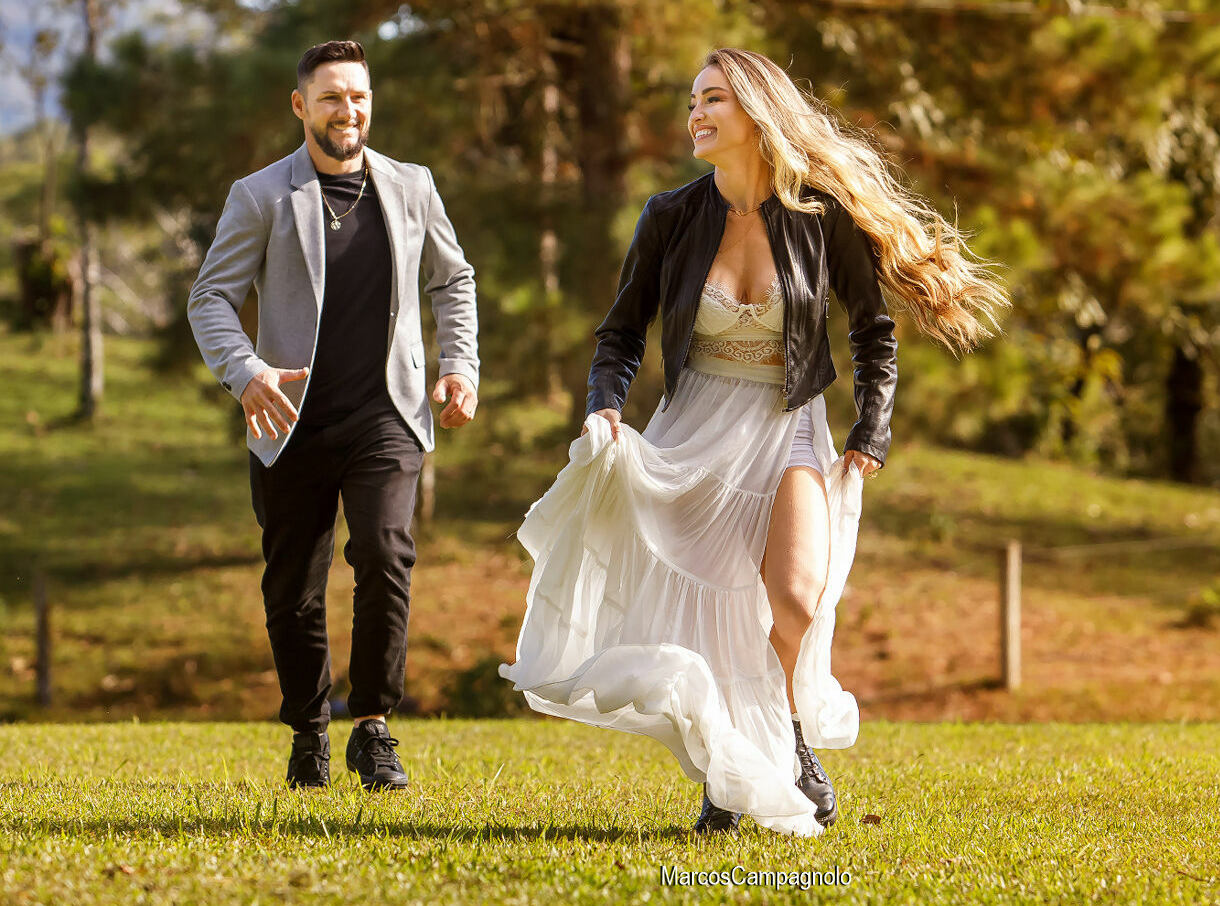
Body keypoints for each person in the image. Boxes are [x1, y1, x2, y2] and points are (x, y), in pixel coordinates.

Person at [501, 47, 1005, 836]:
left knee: (796, 598)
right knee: (707, 619)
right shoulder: (669, 216)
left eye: (714, 100)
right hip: (693, 434)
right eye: (692, 100)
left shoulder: (819, 217)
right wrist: (603, 409)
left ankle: (790, 737)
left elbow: (874, 331)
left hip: (788, 426)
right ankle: (729, 768)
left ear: (757, 114)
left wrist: (872, 426)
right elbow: (620, 334)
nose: (695, 114)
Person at [188, 40, 480, 791]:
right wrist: (245, 371)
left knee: (385, 556)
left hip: (387, 413)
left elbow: (453, 281)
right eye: (331, 98)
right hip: (288, 423)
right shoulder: (259, 196)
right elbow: (210, 298)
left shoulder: (411, 186)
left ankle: (373, 726)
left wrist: (458, 368)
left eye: (357, 97)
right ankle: (308, 730)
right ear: (300, 106)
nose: (347, 111)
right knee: (293, 588)